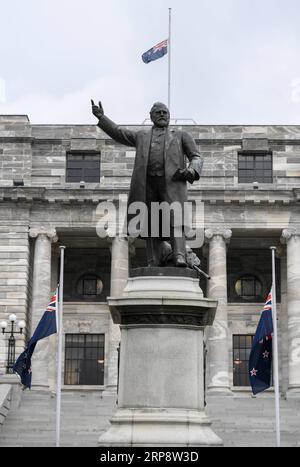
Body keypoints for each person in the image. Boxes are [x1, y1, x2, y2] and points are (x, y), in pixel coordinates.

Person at [91, 100, 203, 267]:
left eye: (165, 112)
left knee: (175, 219)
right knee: (151, 222)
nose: (162, 115)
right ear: (151, 117)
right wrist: (102, 117)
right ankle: (154, 259)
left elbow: (196, 156)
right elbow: (119, 133)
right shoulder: (141, 136)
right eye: (158, 112)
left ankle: (179, 255)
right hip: (147, 184)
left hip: (171, 184)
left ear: (169, 116)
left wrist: (192, 170)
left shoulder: (181, 136)